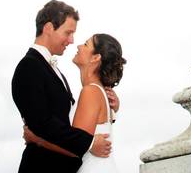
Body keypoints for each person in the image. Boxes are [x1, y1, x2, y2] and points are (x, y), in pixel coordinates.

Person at [11, 0, 117, 173]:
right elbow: (42, 123)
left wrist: (109, 112)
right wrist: (89, 143)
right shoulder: (29, 67)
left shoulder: (54, 70)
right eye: (68, 33)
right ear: (48, 28)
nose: (71, 40)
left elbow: (66, 122)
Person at [24, 33, 126, 173]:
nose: (78, 46)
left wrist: (37, 139)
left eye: (85, 44)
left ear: (96, 58)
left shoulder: (90, 92)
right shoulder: (97, 92)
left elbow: (75, 149)